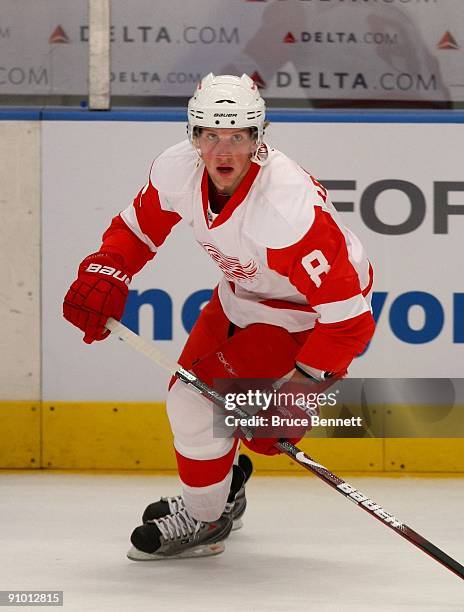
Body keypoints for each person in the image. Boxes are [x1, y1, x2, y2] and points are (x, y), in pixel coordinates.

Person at [63, 73, 375, 560]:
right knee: (189, 398)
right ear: (193, 136)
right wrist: (107, 269)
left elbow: (349, 321)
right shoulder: (178, 169)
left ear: (258, 138)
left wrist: (299, 391)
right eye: (211, 136)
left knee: (194, 405)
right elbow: (136, 229)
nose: (223, 151)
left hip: (301, 319)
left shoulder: (287, 211)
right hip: (237, 297)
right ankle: (221, 492)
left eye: (238, 137)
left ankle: (205, 520)